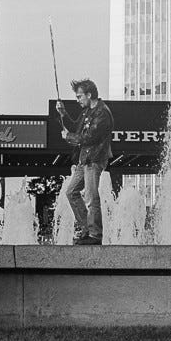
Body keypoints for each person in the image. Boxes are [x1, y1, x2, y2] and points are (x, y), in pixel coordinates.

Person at [56, 79, 114, 245]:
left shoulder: (102, 113)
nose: (78, 99)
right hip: (84, 159)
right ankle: (86, 229)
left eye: (79, 96)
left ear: (89, 94)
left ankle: (95, 235)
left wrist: (69, 137)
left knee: (91, 197)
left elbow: (89, 138)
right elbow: (75, 127)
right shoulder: (88, 111)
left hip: (94, 159)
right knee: (71, 192)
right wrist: (63, 113)